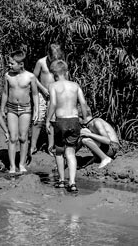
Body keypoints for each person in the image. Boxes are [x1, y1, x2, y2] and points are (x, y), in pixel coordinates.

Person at [46, 58, 90, 193]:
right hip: (74, 120)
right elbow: (83, 103)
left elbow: (53, 104)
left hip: (61, 121)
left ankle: (61, 180)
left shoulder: (53, 86)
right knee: (70, 152)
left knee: (59, 152)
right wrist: (85, 119)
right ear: (66, 72)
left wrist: (48, 120)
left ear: (54, 74)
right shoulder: (75, 85)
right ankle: (72, 182)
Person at [2, 48, 38, 174]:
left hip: (25, 109)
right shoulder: (8, 76)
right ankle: (12, 165)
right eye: (9, 63)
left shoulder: (30, 77)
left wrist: (37, 111)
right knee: (13, 138)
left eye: (12, 63)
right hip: (11, 108)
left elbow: (34, 94)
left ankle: (21, 164)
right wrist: (2, 108)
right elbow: (5, 93)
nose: (9, 65)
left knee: (23, 137)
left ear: (21, 64)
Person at [32, 44, 63, 154]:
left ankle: (50, 146)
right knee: (38, 119)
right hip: (42, 93)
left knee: (52, 121)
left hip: (54, 96)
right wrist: (43, 89)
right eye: (52, 58)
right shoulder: (41, 62)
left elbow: (63, 79)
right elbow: (34, 77)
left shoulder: (60, 64)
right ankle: (33, 146)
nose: (54, 61)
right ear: (48, 54)